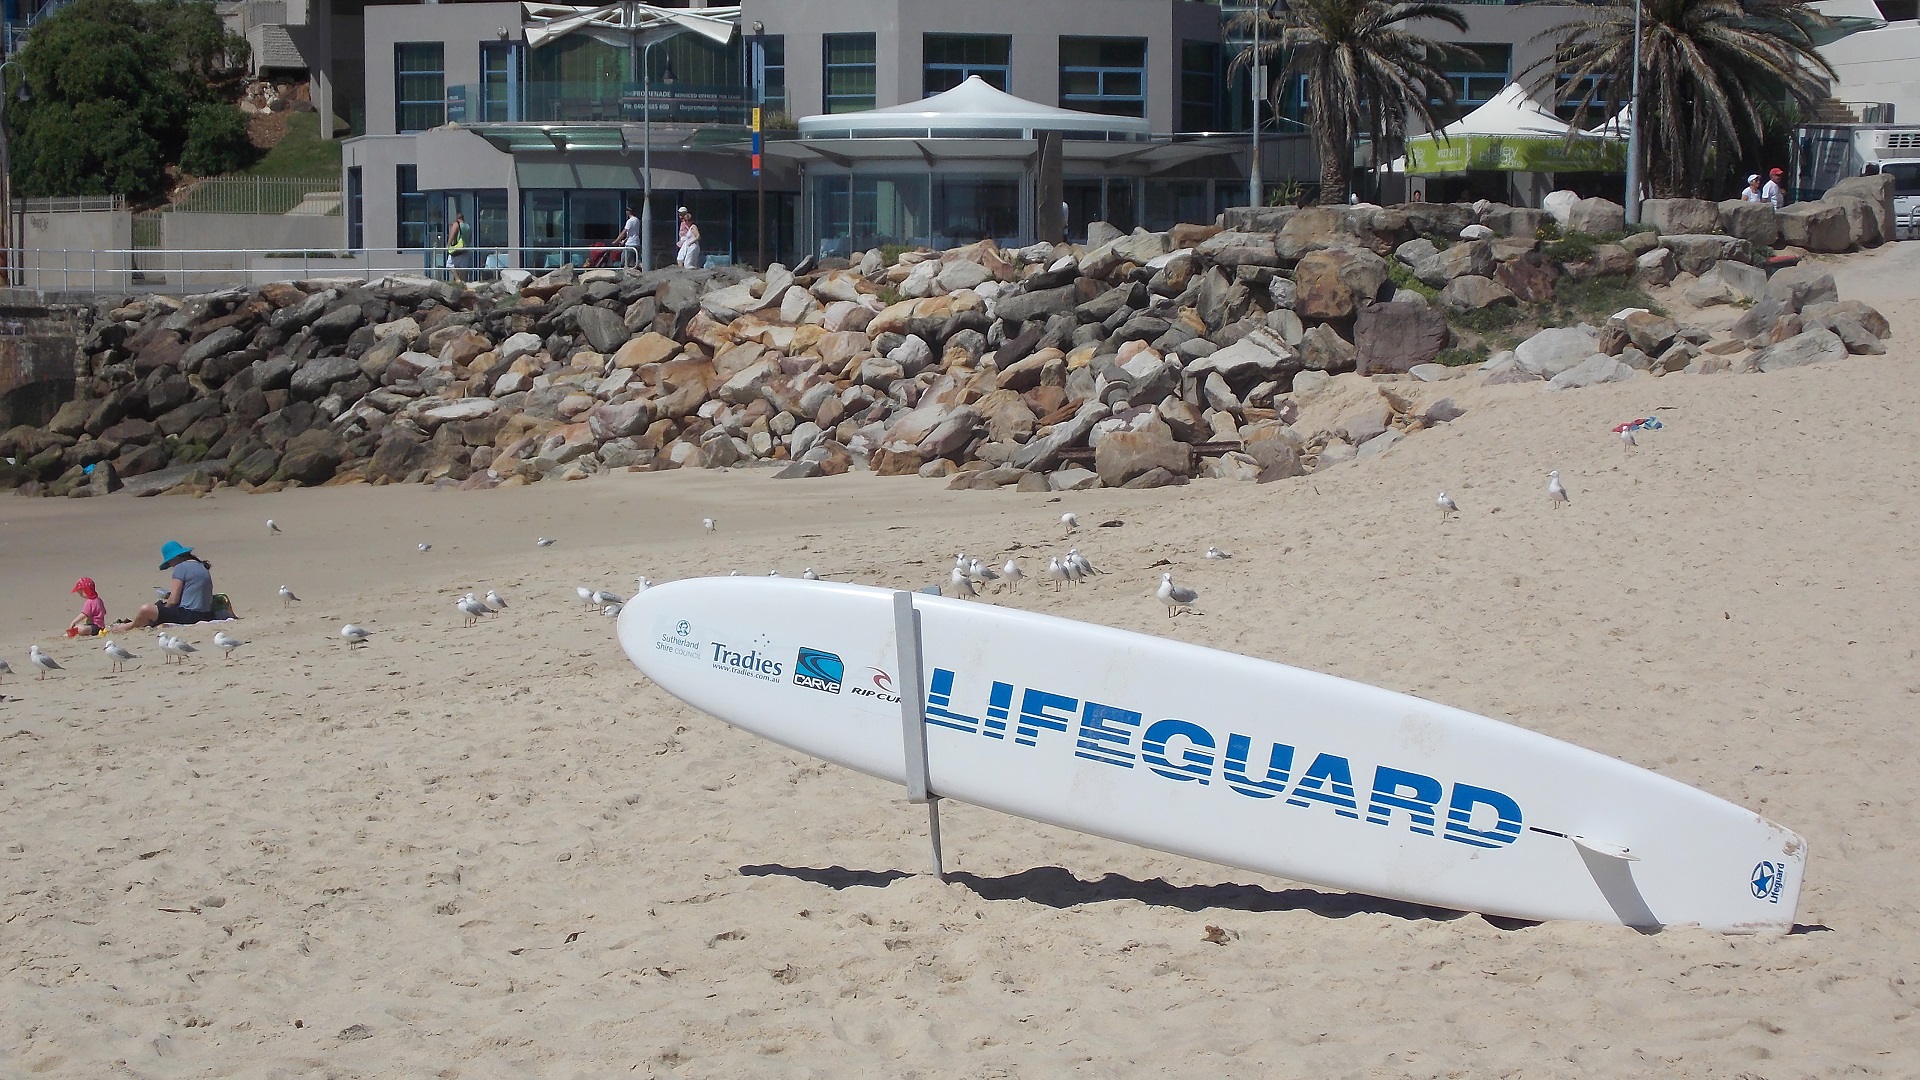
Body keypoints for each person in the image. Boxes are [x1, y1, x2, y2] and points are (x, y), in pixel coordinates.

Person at [125, 541, 217, 629]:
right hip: (206, 614)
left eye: (169, 562)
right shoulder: (201, 566)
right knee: (157, 609)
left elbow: (173, 601)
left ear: (174, 558)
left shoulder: (180, 567)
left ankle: (129, 627)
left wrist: (164, 609)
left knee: (146, 609)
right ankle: (133, 624)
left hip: (189, 616)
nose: (170, 565)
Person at [445, 210, 469, 284]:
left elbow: (452, 235)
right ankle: (463, 282)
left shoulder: (456, 224)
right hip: (465, 247)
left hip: (456, 247)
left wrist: (448, 245)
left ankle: (457, 279)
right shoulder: (467, 226)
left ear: (457, 218)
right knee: (463, 267)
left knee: (450, 264)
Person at [618, 204, 642, 268]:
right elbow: (632, 233)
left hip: (630, 244)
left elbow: (624, 232)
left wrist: (616, 241)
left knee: (624, 262)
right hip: (637, 243)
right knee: (636, 261)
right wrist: (624, 241)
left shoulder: (630, 221)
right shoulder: (637, 220)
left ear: (628, 212)